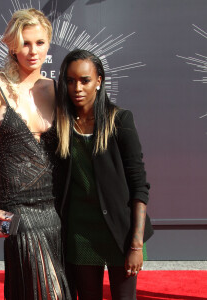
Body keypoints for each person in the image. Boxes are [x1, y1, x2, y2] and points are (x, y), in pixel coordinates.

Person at [0, 8, 71, 300]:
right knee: (46, 291)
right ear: (12, 44)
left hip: (54, 209)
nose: (32, 50)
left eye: (39, 43)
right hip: (17, 210)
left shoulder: (56, 89)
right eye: (25, 43)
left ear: (49, 44)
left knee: (51, 291)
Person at [55, 49, 154, 300]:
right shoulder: (61, 125)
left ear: (99, 81)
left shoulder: (119, 120)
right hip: (79, 232)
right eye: (70, 80)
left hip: (118, 232)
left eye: (85, 80)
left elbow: (139, 186)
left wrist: (136, 245)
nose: (77, 87)